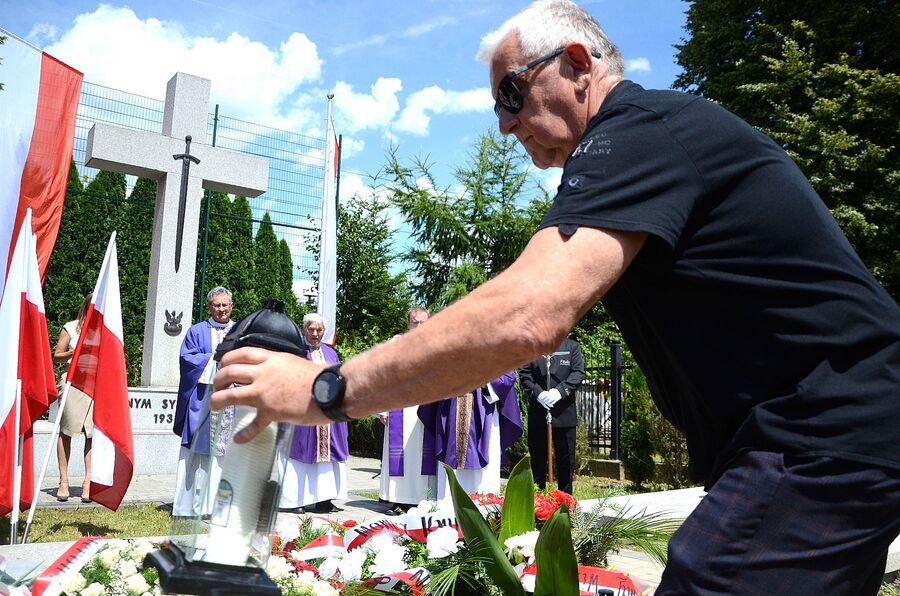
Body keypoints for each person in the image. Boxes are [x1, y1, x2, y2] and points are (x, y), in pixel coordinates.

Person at [212, 1, 900, 593]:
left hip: (821, 434)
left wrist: (329, 389)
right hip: (832, 435)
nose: (506, 126)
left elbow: (527, 313)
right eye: (496, 109)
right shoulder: (651, 145)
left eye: (511, 94)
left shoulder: (635, 132)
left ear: (577, 61)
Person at [172, 286, 236, 516]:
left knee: (229, 455)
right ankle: (190, 506)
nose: (221, 309)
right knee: (197, 452)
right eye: (216, 305)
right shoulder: (197, 331)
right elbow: (187, 359)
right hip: (203, 399)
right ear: (209, 307)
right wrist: (215, 357)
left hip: (233, 401)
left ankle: (222, 508)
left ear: (231, 306)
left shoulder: (241, 331)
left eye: (224, 305)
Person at [279, 313, 349, 514]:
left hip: (328, 414)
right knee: (300, 454)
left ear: (324, 332)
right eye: (311, 329)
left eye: (319, 330)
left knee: (327, 458)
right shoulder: (295, 351)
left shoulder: (331, 353)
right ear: (304, 330)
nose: (315, 334)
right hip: (304, 412)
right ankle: (295, 501)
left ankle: (324, 500)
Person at [418, 372, 522, 501]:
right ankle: (447, 510)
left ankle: (484, 512)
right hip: (452, 407)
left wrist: (481, 376)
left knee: (483, 481)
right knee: (450, 469)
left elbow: (507, 376)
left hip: (483, 408)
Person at [378, 306, 437, 515]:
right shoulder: (396, 344)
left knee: (422, 454)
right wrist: (382, 410)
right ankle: (395, 498)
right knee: (401, 453)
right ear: (408, 323)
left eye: (423, 322)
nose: (418, 326)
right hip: (399, 409)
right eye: (415, 322)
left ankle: (421, 498)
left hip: (426, 409)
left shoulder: (436, 345)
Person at [519, 335, 584, 495]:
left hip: (564, 413)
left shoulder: (572, 346)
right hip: (538, 413)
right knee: (537, 462)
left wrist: (560, 392)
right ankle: (537, 502)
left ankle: (565, 503)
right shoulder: (532, 347)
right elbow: (525, 374)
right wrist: (538, 394)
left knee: (566, 462)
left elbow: (578, 373)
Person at [52, 293, 93, 503]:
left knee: (91, 433)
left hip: (95, 384)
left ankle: (88, 482)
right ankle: (64, 481)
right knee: (66, 431)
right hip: (72, 382)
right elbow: (56, 356)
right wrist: (72, 353)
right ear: (87, 306)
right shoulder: (71, 326)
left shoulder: (106, 329)